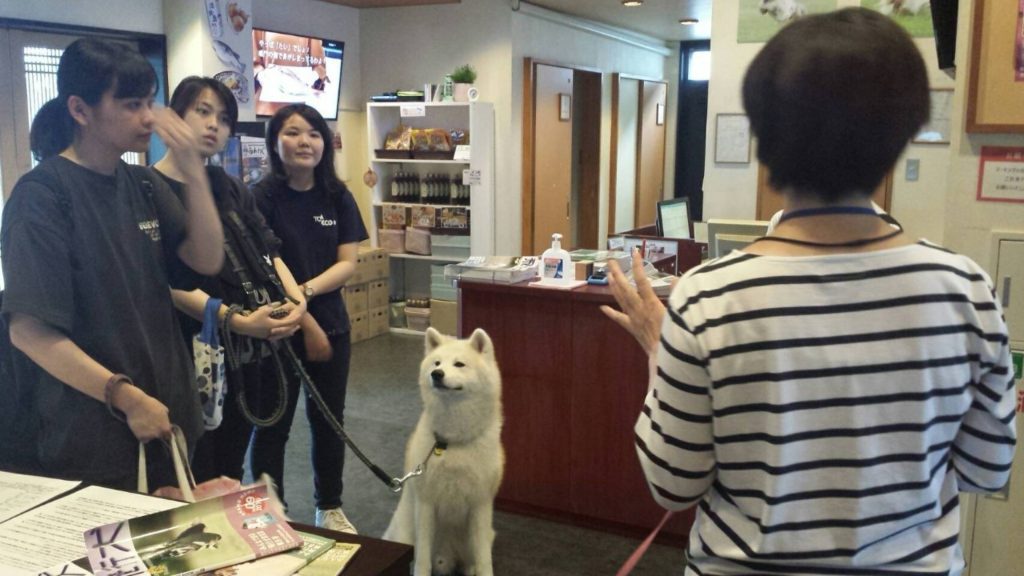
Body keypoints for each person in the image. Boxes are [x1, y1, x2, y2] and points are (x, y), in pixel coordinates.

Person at [602, 8, 1016, 575]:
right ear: (903, 135)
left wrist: (660, 350)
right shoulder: (966, 290)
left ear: (764, 143)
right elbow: (989, 468)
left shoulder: (708, 300)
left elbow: (673, 484)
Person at [0, 38, 223, 490]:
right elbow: (29, 330)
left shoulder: (141, 183)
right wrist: (124, 396)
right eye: (130, 104)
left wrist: (193, 170)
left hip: (166, 414)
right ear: (80, 110)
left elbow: (206, 258)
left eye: (149, 101)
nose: (148, 116)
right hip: (94, 433)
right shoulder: (42, 196)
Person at [152, 76, 307, 483]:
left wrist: (297, 301)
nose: (212, 126)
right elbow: (168, 285)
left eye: (222, 119)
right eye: (202, 112)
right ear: (175, 115)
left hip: (250, 346)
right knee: (197, 463)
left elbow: (268, 252)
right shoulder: (148, 187)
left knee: (233, 460)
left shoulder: (231, 187)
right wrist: (235, 321)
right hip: (193, 351)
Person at [251, 104, 368, 533]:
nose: (305, 142)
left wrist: (307, 296)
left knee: (329, 420)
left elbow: (348, 262)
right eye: (293, 133)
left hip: (331, 324)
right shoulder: (259, 197)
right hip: (274, 331)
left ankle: (330, 505)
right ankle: (271, 512)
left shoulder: (337, 196)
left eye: (314, 134)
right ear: (274, 142)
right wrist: (303, 319)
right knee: (272, 426)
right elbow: (265, 264)